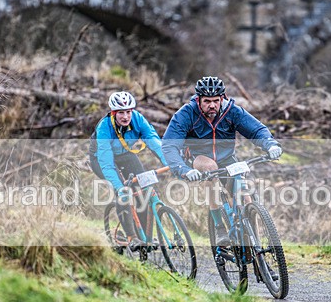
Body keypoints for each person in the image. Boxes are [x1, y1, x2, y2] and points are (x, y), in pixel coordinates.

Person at [162, 75, 282, 246]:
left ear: (222, 98)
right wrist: (183, 169)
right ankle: (219, 227)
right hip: (198, 158)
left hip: (227, 158)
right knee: (211, 169)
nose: (212, 105)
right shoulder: (186, 114)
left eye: (216, 101)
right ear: (198, 100)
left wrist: (269, 144)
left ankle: (255, 248)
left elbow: (256, 130)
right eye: (207, 101)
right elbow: (169, 146)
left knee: (246, 198)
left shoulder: (232, 111)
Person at [89, 91, 167, 249]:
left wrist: (171, 163)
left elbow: (154, 141)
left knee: (143, 189)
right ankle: (132, 237)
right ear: (113, 112)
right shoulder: (104, 127)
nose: (125, 117)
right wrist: (119, 188)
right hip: (101, 159)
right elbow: (107, 164)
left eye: (128, 112)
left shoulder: (138, 119)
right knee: (124, 192)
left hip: (125, 154)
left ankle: (146, 237)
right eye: (121, 113)